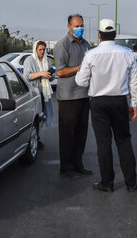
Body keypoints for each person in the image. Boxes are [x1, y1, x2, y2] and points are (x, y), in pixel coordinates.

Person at [75, 19, 137, 192]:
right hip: (120, 100)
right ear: (115, 35)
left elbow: (81, 82)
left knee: (103, 143)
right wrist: (133, 103)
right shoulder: (127, 53)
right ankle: (131, 183)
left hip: (98, 103)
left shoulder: (91, 54)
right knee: (124, 141)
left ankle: (107, 182)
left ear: (99, 34)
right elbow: (134, 82)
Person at [53, 14, 92, 178]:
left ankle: (78, 164)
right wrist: (81, 67)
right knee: (68, 133)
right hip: (68, 96)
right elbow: (60, 71)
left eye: (81, 25)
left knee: (81, 132)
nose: (79, 28)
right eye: (76, 26)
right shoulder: (62, 45)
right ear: (69, 27)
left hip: (84, 94)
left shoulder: (86, 44)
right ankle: (67, 167)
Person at [23, 40, 55, 149]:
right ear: (35, 50)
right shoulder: (30, 60)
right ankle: (34, 139)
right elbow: (27, 76)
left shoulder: (46, 60)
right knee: (35, 117)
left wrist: (50, 76)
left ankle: (37, 137)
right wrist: (41, 73)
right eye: (39, 49)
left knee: (43, 116)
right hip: (35, 93)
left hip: (45, 92)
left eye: (43, 49)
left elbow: (51, 78)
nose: (41, 52)